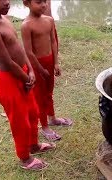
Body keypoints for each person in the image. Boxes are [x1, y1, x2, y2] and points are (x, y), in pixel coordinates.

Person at [0, 0, 55, 170]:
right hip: (9, 82)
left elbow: (19, 48)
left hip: (23, 75)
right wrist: (25, 78)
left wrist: (30, 71)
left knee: (33, 113)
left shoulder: (4, 19)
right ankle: (25, 158)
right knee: (20, 123)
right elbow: (6, 62)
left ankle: (34, 145)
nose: (7, 2)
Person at [21, 0, 72, 142]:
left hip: (50, 61)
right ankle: (44, 126)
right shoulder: (26, 25)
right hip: (37, 65)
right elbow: (29, 52)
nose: (44, 5)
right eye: (38, 2)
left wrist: (56, 62)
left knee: (49, 92)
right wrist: (39, 69)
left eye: (45, 1)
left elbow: (53, 42)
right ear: (27, 3)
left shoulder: (49, 20)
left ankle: (52, 118)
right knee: (40, 96)